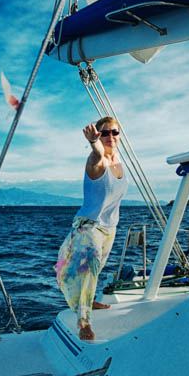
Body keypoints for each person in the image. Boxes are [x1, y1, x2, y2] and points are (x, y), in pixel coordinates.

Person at [55, 116, 128, 341]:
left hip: (110, 227)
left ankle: (89, 300)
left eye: (114, 132)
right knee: (89, 268)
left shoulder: (118, 160)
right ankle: (83, 322)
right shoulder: (97, 161)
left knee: (97, 268)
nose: (110, 137)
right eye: (104, 133)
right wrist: (93, 143)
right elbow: (97, 152)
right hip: (90, 226)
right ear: (98, 135)